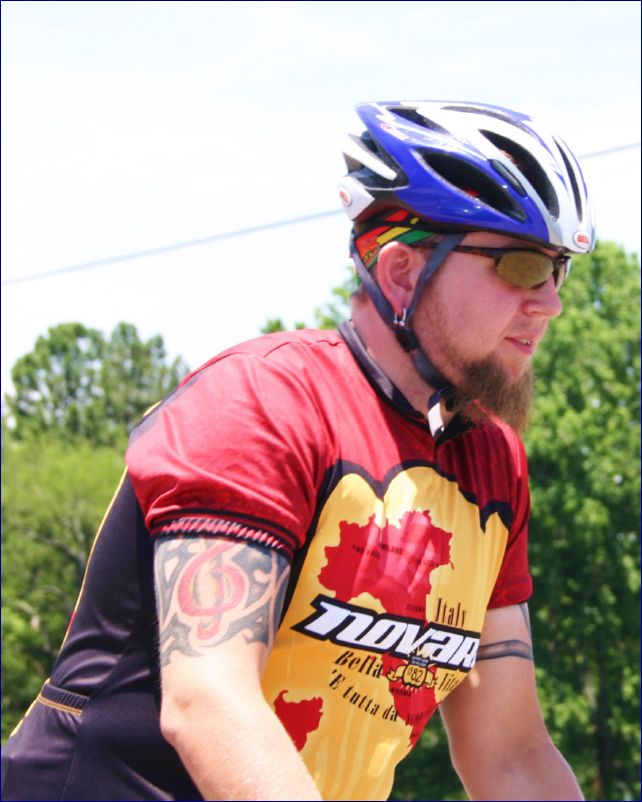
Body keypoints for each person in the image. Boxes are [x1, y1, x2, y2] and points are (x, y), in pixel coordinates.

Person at [1, 100, 595, 801]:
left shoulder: (490, 463)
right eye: (522, 265)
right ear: (402, 272)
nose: (550, 303)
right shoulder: (263, 401)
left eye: (559, 270)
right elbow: (208, 702)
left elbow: (511, 757)